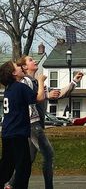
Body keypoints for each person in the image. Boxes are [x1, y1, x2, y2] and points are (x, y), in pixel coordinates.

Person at [7, 55, 83, 189]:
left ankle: (10, 184)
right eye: (31, 60)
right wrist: (46, 94)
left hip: (33, 125)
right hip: (32, 124)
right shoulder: (24, 82)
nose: (35, 61)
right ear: (24, 67)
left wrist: (74, 82)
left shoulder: (38, 82)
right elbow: (33, 98)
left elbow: (57, 94)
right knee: (49, 154)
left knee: (27, 160)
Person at [0, 60, 46, 189]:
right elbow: (39, 98)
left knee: (7, 165)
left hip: (7, 132)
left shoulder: (9, 89)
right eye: (17, 66)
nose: (21, 68)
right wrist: (41, 81)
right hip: (17, 133)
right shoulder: (20, 86)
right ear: (14, 73)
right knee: (23, 167)